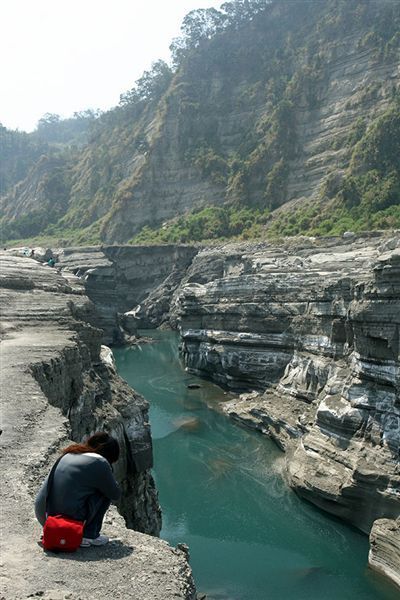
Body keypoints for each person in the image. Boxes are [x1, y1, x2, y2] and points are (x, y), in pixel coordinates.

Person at [35, 432, 121, 547]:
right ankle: (89, 535)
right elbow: (115, 493)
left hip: (45, 516)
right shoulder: (100, 462)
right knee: (105, 492)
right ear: (111, 454)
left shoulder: (70, 453)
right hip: (67, 522)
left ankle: (59, 530)